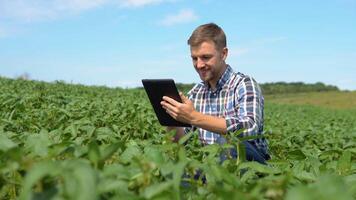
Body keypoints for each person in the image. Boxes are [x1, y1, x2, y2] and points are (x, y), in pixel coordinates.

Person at [160, 23, 270, 164]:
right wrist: (172, 119)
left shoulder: (243, 84)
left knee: (228, 142)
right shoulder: (196, 93)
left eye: (205, 57)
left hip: (249, 165)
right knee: (175, 169)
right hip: (211, 167)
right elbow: (181, 143)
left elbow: (249, 127)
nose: (199, 65)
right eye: (194, 58)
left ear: (223, 54)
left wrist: (194, 117)